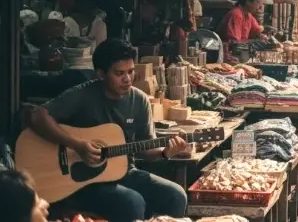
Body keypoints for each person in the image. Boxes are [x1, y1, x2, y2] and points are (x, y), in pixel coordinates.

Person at [26, 40, 188, 222]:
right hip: (82, 182)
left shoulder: (139, 100)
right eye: (119, 73)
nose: (127, 79)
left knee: (176, 195)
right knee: (132, 202)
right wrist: (77, 145)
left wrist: (166, 152)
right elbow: (36, 116)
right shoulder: (83, 95)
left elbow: (145, 148)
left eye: (131, 71)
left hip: (125, 173)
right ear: (101, 74)